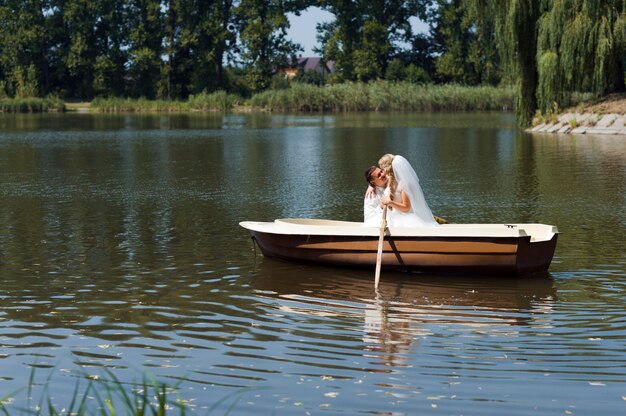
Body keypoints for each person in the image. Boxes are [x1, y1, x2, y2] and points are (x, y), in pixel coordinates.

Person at [365, 154, 439, 227]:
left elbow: (406, 207)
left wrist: (390, 202)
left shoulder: (403, 183)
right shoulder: (374, 192)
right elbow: (369, 216)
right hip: (391, 216)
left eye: (381, 171)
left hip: (403, 217)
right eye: (379, 175)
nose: (383, 174)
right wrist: (371, 186)